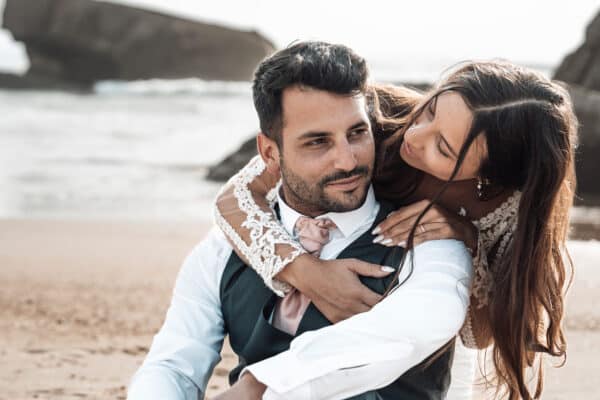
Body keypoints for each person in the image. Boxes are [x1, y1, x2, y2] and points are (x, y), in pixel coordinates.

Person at [214, 50, 578, 399]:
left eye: (443, 148)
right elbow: (234, 199)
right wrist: (304, 271)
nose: (414, 135)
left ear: (487, 178)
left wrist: (470, 242)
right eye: (431, 109)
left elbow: (479, 336)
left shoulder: (512, 208)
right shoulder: (377, 115)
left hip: (429, 345)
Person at [127, 41, 473, 400]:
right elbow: (172, 364)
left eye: (357, 133)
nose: (347, 160)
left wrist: (256, 389)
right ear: (269, 153)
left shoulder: (430, 242)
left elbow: (411, 331)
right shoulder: (220, 250)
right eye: (317, 142)